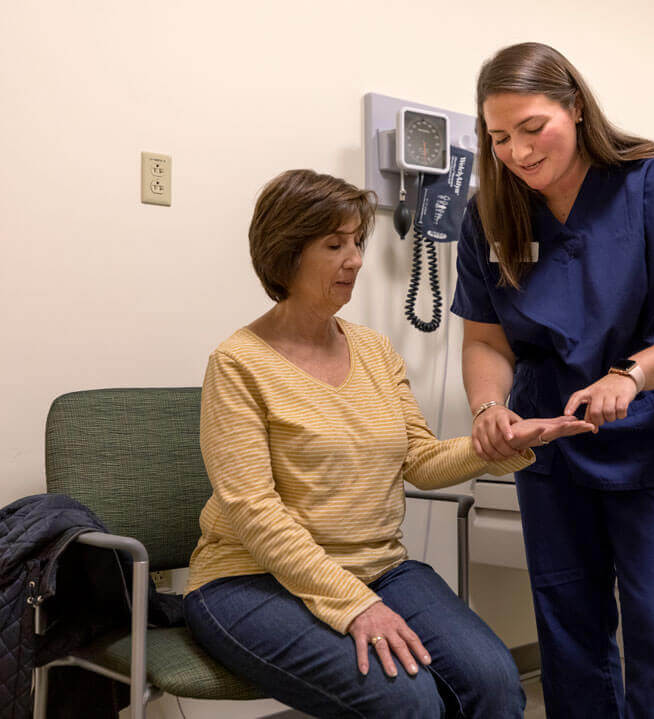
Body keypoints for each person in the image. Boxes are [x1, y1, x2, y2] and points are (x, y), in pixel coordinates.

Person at [183, 169, 594, 718]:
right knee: (406, 700)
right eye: (335, 245)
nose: (356, 260)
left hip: (379, 568)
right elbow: (254, 511)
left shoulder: (374, 351)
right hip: (250, 580)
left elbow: (419, 460)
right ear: (285, 254)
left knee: (495, 682)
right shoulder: (238, 364)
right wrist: (354, 605)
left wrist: (498, 443)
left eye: (357, 242)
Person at [451, 43, 654, 718]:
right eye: (499, 138)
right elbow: (486, 338)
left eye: (533, 128)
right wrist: (488, 406)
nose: (519, 152)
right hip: (552, 449)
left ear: (577, 108)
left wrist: (633, 375)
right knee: (569, 633)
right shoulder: (491, 215)